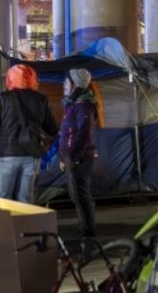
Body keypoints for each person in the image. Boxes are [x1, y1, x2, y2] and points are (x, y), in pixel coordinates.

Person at [0, 64, 58, 203]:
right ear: (32, 78)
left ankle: (2, 225)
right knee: (25, 201)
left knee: (1, 200)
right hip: (31, 156)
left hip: (5, 156)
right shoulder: (41, 100)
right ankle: (24, 224)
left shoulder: (1, 99)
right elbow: (52, 129)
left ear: (10, 79)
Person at [59, 68, 97, 237]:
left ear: (75, 85)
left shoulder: (83, 105)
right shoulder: (73, 105)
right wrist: (63, 156)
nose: (64, 85)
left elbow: (83, 133)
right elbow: (68, 133)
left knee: (80, 195)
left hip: (79, 157)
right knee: (76, 195)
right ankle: (86, 227)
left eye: (67, 82)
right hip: (71, 156)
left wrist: (72, 156)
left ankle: (87, 231)